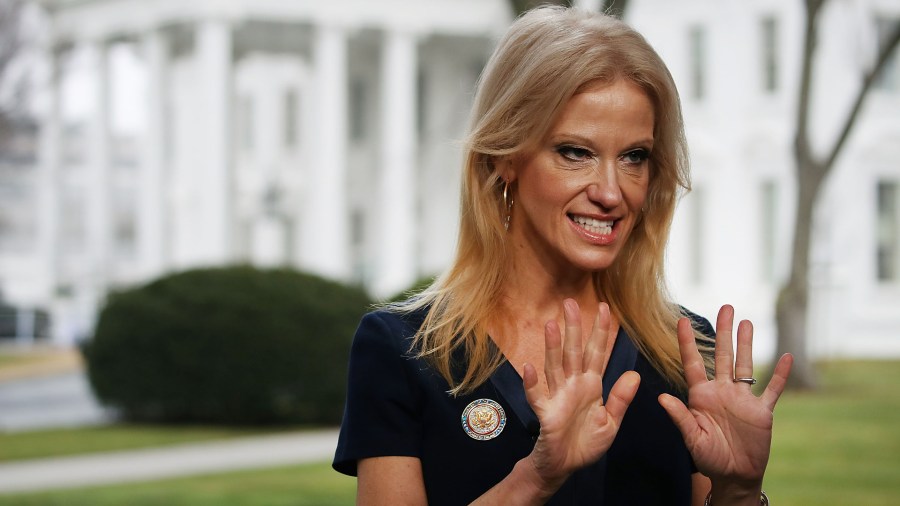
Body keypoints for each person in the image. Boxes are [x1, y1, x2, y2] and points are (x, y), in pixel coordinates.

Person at [333, 6, 793, 505]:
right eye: (576, 152)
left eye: (634, 157)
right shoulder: (404, 349)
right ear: (504, 157)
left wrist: (740, 491)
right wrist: (535, 477)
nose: (612, 193)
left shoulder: (684, 351)